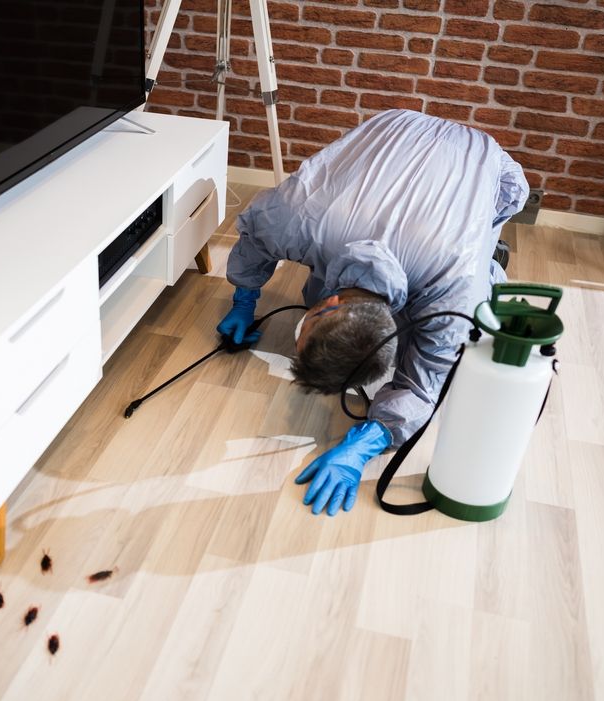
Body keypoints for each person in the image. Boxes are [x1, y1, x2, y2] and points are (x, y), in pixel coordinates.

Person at [217, 109, 527, 516]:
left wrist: (367, 442)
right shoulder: (297, 217)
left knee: (462, 316)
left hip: (480, 157)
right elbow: (257, 234)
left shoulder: (455, 294)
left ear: (330, 305)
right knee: (322, 286)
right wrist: (243, 298)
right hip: (397, 128)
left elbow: (425, 387)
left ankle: (490, 261)